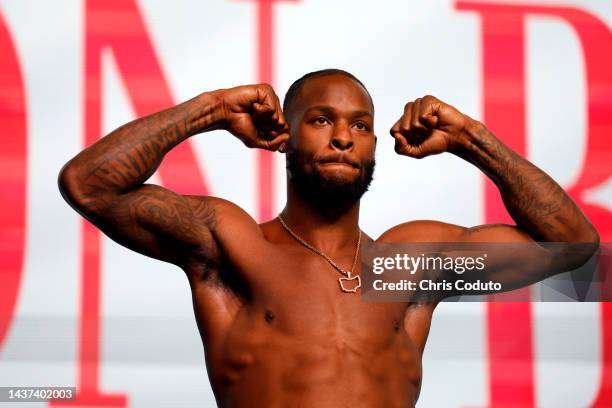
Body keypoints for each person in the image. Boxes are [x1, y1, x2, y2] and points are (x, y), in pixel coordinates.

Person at [58, 68, 599, 407]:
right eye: (321, 120)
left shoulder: (403, 267)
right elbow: (88, 185)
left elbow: (574, 247)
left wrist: (470, 138)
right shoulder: (235, 247)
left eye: (360, 126)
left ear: (373, 147)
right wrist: (214, 108)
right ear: (283, 135)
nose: (343, 136)